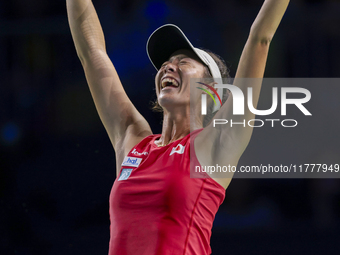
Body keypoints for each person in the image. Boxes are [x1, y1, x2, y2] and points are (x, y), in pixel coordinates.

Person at [67, 0, 290, 254]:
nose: (167, 66)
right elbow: (92, 53)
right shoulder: (133, 140)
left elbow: (260, 38)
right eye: (166, 63)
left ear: (211, 91)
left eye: (183, 62)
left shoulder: (217, 142)